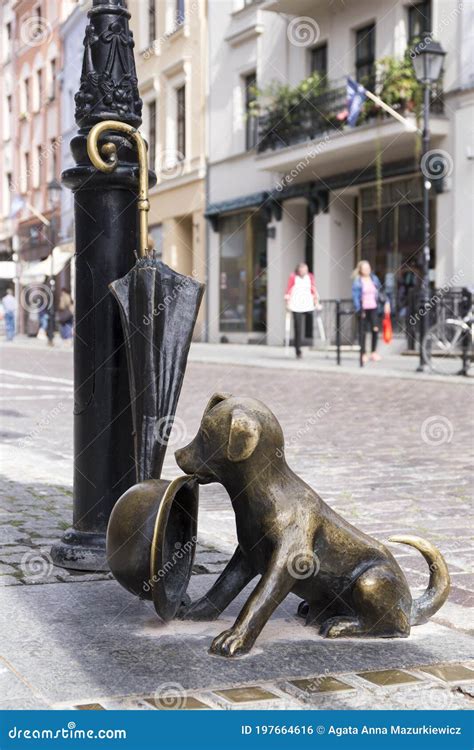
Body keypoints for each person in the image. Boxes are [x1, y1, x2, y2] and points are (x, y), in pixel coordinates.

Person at [352, 260, 389, 363]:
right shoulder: (357, 281)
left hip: (374, 307)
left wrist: (386, 303)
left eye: (368, 268)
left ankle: (373, 352)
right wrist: (359, 309)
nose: (367, 270)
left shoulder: (374, 279)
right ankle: (363, 353)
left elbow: (381, 291)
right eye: (365, 268)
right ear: (360, 270)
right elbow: (355, 297)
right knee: (362, 331)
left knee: (375, 329)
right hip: (363, 308)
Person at [285, 263, 319, 358]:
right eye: (302, 270)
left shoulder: (310, 277)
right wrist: (287, 303)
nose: (304, 272)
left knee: (312, 319)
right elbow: (288, 290)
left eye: (305, 270)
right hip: (296, 305)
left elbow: (313, 289)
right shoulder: (293, 277)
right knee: (298, 328)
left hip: (308, 304)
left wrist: (316, 302)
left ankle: (314, 339)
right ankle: (298, 350)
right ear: (298, 270)